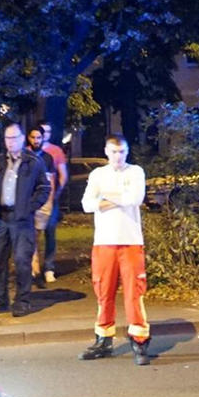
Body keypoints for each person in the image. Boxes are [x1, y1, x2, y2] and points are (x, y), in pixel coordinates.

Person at [79, 134, 152, 365]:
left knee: (134, 293)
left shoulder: (136, 172)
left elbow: (136, 198)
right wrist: (121, 197)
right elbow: (87, 204)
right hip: (104, 242)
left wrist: (105, 197)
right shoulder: (98, 174)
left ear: (127, 152)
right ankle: (103, 339)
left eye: (122, 152)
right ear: (106, 152)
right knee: (104, 292)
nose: (118, 157)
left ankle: (139, 341)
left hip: (130, 241)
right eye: (113, 152)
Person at [0, 123, 51, 318]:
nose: (10, 142)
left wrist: (29, 207)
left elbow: (44, 188)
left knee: (22, 261)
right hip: (1, 219)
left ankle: (22, 301)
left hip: (22, 220)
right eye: (7, 138)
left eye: (14, 138)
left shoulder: (33, 162)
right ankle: (0, 299)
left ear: (22, 139)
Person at [31, 122, 69, 284]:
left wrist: (56, 195)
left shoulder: (55, 151)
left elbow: (62, 175)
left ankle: (49, 268)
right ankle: (33, 268)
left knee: (50, 233)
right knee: (31, 235)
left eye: (48, 132)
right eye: (42, 131)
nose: (45, 134)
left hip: (50, 199)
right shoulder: (28, 152)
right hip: (32, 202)